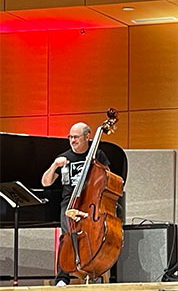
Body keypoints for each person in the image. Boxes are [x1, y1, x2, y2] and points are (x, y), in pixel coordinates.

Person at [41, 122, 110, 287]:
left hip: (91, 201)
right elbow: (45, 182)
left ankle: (94, 270)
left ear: (87, 137)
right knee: (67, 235)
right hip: (70, 203)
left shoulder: (98, 155)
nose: (72, 140)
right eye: (70, 137)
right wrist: (55, 166)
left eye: (76, 137)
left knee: (98, 235)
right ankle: (62, 278)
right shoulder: (64, 157)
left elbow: (107, 179)